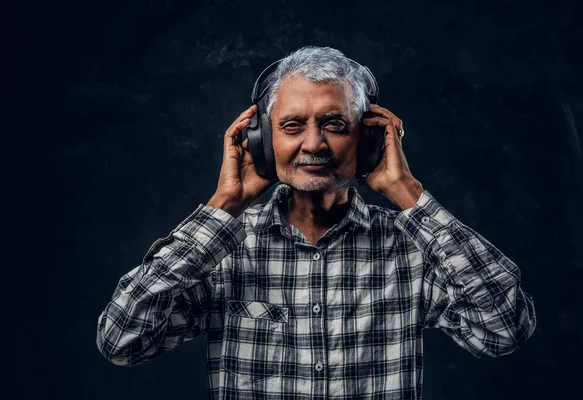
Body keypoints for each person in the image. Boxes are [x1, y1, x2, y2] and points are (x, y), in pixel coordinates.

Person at [96, 45, 536, 399]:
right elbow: (122, 340)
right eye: (291, 125)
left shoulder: (412, 246)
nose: (313, 143)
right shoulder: (220, 251)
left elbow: (502, 329)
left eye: (334, 124)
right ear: (262, 141)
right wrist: (223, 207)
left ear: (367, 138)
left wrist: (408, 194)